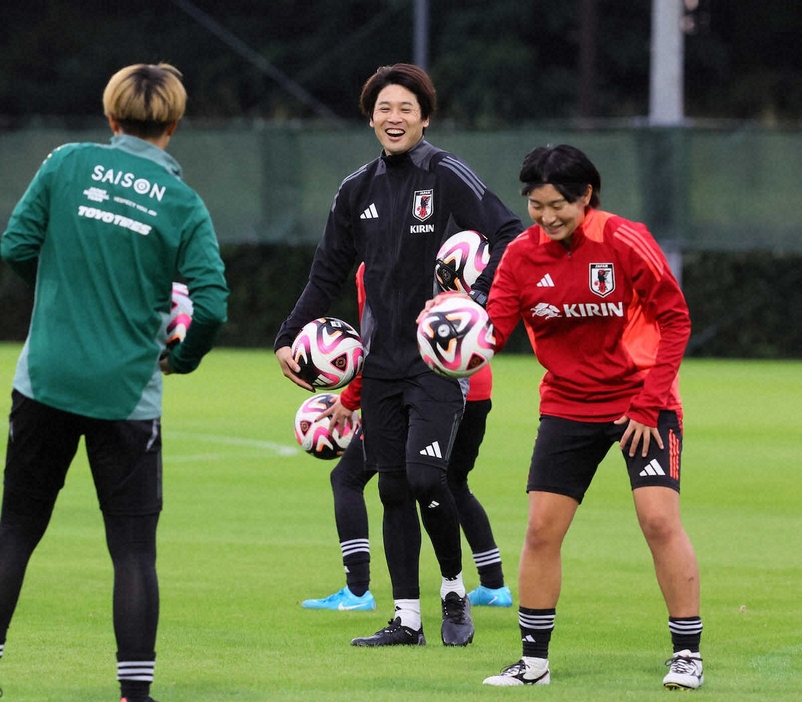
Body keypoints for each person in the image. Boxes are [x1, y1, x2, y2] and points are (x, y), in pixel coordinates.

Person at [0, 63, 229, 702]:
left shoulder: (66, 163)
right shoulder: (182, 203)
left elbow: (17, 245)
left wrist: (59, 300)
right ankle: (134, 694)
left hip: (44, 379)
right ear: (174, 125)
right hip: (126, 395)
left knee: (16, 528)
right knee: (132, 550)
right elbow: (210, 306)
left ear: (110, 117)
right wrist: (179, 360)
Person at [275, 63, 522, 647]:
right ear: (370, 117)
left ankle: (454, 592)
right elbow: (325, 273)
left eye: (406, 108)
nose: (394, 118)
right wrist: (288, 336)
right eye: (384, 108)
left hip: (435, 362)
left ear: (425, 117)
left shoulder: (446, 174)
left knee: (425, 476)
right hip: (378, 363)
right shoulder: (355, 189)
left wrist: (476, 304)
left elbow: (511, 233)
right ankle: (406, 618)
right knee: (390, 488)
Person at [464, 144, 702, 688]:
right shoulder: (521, 255)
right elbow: (493, 331)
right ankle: (533, 663)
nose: (546, 217)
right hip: (567, 403)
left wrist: (649, 405)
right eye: (535, 205)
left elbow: (676, 319)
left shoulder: (623, 239)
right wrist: (450, 335)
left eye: (557, 205)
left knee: (659, 521)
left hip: (642, 402)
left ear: (586, 195)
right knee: (542, 530)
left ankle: (687, 655)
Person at [302, 266, 512, 612]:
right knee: (454, 483)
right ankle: (492, 584)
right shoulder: (438, 253)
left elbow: (378, 341)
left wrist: (351, 398)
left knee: (349, 478)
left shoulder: (373, 267)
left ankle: (357, 592)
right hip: (474, 384)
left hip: (416, 390)